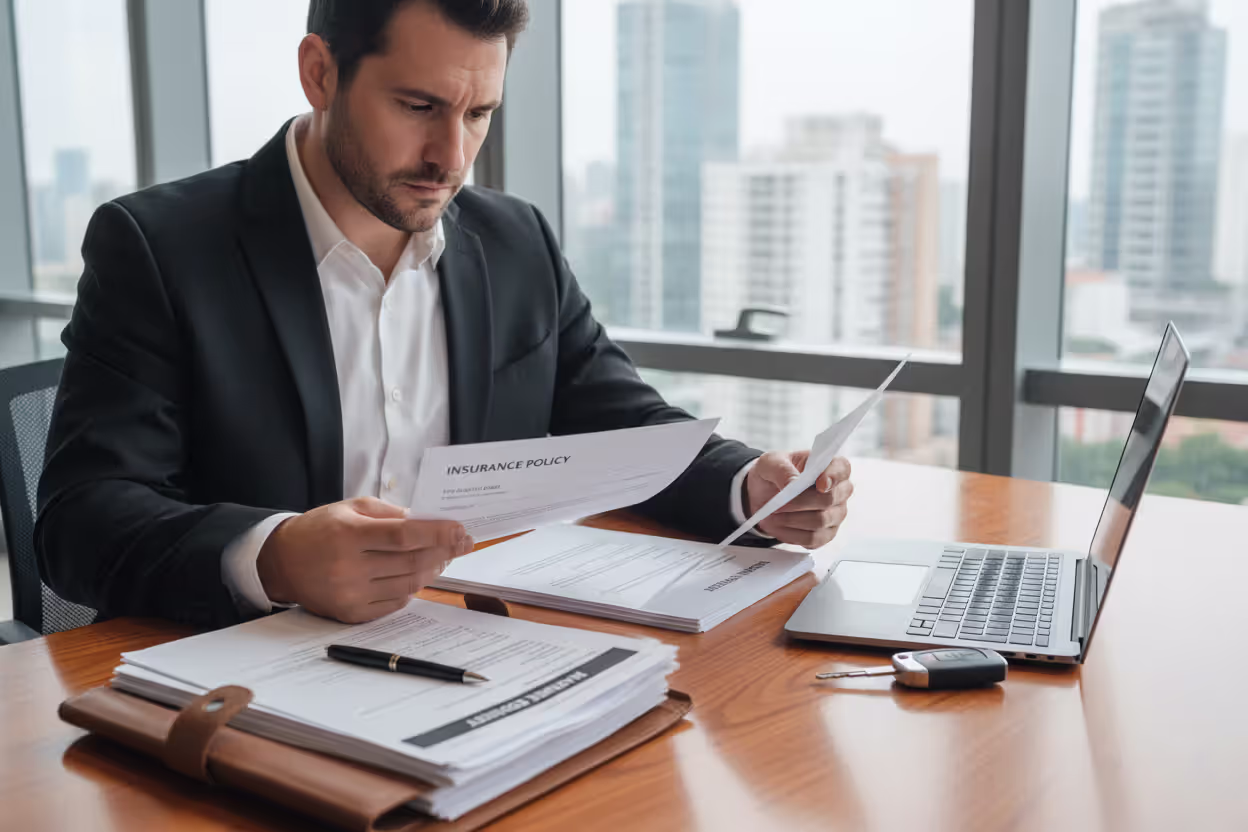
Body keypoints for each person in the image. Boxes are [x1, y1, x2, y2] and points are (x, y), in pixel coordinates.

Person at [35, 0, 854, 631]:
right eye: (419, 105)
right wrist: (276, 555)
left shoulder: (514, 239)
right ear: (320, 73)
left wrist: (752, 487)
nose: (452, 158)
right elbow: (81, 520)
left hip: (475, 649)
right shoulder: (158, 245)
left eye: (479, 114)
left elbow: (621, 419)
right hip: (240, 679)